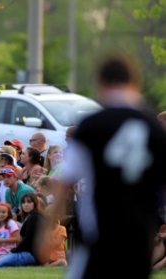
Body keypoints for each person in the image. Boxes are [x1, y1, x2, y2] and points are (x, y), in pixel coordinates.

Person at [52, 54, 166, 279]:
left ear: (101, 83)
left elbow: (65, 182)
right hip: (140, 235)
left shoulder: (90, 126)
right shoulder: (153, 127)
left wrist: (46, 228)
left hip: (100, 234)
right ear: (134, 82)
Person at [0, 193, 46, 268]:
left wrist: (14, 250)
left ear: (35, 203)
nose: (26, 205)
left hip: (31, 254)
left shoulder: (34, 217)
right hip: (35, 254)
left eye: (29, 202)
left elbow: (27, 240)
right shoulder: (32, 216)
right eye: (23, 202)